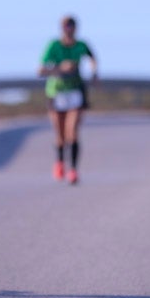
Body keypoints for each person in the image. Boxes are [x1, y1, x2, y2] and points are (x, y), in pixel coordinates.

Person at [38, 15, 97, 185]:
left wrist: (94, 72)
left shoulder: (81, 45)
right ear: (61, 29)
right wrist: (60, 68)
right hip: (56, 93)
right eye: (65, 26)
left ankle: (73, 170)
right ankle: (59, 162)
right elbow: (41, 70)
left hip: (75, 92)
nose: (68, 29)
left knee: (73, 132)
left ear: (76, 28)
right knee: (60, 134)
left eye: (71, 26)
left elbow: (92, 58)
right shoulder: (53, 46)